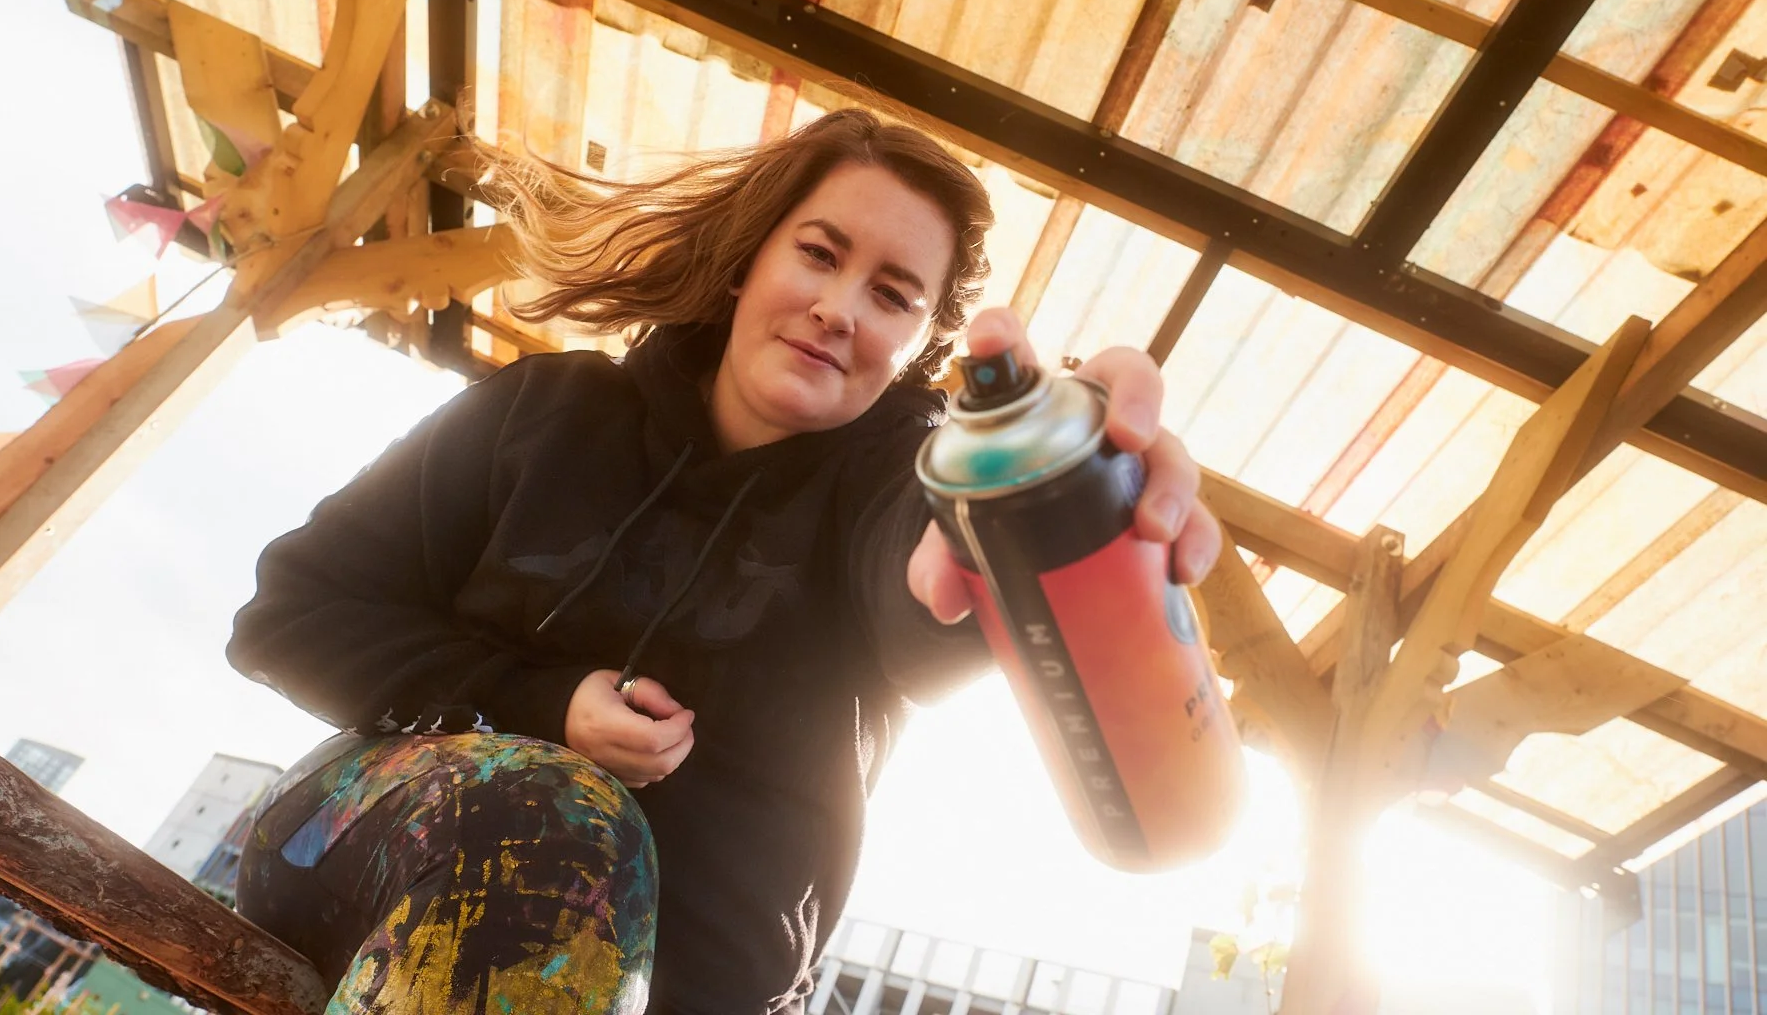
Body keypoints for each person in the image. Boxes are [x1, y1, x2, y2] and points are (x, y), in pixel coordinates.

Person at [227, 108, 1222, 1015]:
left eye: (892, 294)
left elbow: (919, 594)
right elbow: (288, 615)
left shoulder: (903, 490)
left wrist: (1022, 512)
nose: (840, 308)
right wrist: (540, 703)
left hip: (693, 993)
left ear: (919, 340)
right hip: (351, 847)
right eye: (820, 254)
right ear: (750, 259)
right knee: (554, 824)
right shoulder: (544, 412)